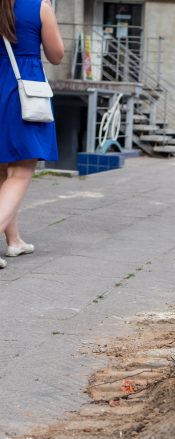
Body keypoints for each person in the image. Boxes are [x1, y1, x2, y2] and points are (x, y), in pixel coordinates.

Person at [0, 0, 64, 269]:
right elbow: (57, 55)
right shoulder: (38, 7)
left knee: (4, 171)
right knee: (21, 171)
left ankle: (14, 241)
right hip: (21, 91)